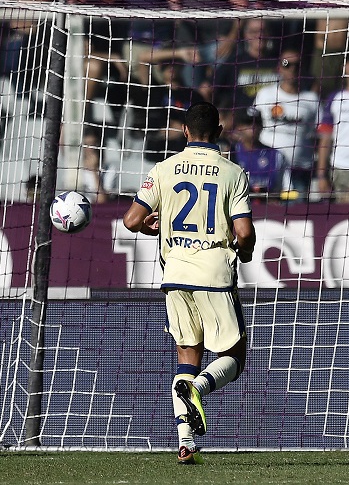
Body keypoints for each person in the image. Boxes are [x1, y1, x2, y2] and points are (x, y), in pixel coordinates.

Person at [122, 101, 256, 464]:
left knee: (187, 356)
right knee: (234, 356)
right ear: (220, 131)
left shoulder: (163, 169)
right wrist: (245, 252)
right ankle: (199, 388)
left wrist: (152, 226)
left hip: (175, 273)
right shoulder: (233, 173)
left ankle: (185, 441)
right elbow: (244, 232)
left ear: (185, 131)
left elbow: (131, 220)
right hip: (212, 272)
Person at [251, 49, 320, 201]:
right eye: (287, 64)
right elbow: (252, 125)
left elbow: (319, 134)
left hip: (299, 170)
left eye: (297, 65)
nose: (292, 69)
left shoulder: (311, 99)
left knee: (297, 212)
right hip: (267, 168)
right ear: (279, 67)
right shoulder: (265, 94)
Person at [317, 60, 349, 203]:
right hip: (340, 168)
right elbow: (325, 139)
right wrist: (321, 175)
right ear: (345, 67)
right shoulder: (335, 98)